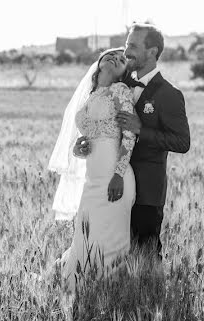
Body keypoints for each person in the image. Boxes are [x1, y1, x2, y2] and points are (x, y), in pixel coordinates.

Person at [74, 23, 190, 262]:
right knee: (106, 246)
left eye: (133, 46)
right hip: (108, 181)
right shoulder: (119, 83)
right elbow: (104, 128)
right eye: (126, 45)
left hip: (146, 189)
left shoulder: (169, 94)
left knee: (145, 254)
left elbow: (182, 142)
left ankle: (151, 297)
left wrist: (141, 129)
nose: (126, 52)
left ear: (152, 51)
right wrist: (83, 146)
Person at [47, 48, 137, 292]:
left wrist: (118, 175)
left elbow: (129, 136)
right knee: (85, 236)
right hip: (92, 179)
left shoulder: (120, 91)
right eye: (111, 55)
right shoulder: (90, 97)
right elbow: (88, 140)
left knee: (110, 241)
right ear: (99, 63)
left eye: (121, 60)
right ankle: (80, 289)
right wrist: (80, 148)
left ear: (123, 72)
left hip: (115, 178)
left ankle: (110, 293)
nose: (115, 58)